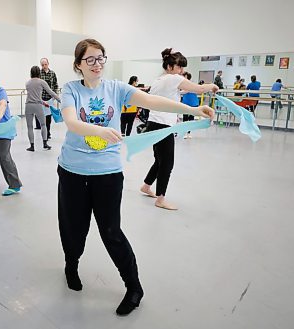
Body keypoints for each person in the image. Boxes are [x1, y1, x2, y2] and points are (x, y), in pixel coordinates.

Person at [58, 39, 214, 316]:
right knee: (73, 228)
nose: (97, 64)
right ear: (78, 65)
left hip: (107, 173)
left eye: (101, 58)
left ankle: (134, 287)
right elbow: (71, 122)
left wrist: (191, 110)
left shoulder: (116, 88)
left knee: (111, 232)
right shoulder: (70, 89)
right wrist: (98, 130)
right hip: (72, 172)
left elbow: (152, 100)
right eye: (90, 60)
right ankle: (71, 264)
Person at [139, 48, 218, 211]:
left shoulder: (158, 80)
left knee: (159, 160)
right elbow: (200, 89)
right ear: (169, 66)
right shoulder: (174, 78)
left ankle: (146, 186)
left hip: (153, 124)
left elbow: (174, 92)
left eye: (182, 68)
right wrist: (213, 86)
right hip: (163, 125)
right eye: (179, 67)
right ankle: (161, 199)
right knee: (167, 163)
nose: (181, 71)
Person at [25, 66, 60, 151]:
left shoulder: (28, 83)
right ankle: (45, 143)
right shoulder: (41, 82)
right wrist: (60, 99)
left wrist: (43, 102)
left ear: (31, 73)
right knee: (43, 125)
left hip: (28, 105)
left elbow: (32, 96)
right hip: (37, 106)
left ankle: (32, 146)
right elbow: (51, 92)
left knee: (29, 127)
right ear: (39, 73)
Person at [35, 57, 59, 138]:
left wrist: (55, 95)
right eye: (42, 65)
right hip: (41, 98)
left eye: (45, 64)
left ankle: (48, 131)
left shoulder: (52, 73)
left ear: (48, 64)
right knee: (42, 116)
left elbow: (55, 85)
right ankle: (44, 131)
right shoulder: (39, 74)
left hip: (50, 98)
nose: (44, 66)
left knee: (48, 116)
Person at [180, 72, 199, 139]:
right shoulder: (182, 84)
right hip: (186, 102)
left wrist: (177, 92)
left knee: (191, 118)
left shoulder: (191, 84)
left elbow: (186, 91)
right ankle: (185, 132)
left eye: (184, 76)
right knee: (185, 117)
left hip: (193, 102)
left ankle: (188, 133)